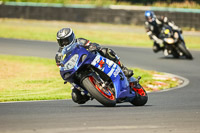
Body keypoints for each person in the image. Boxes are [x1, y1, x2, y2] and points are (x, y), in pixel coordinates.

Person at [55, 28, 133, 104]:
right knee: (76, 97)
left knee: (106, 51)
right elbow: (59, 65)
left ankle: (123, 69)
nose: (65, 43)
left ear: (72, 37)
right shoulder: (60, 54)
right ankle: (90, 91)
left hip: (87, 60)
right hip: (75, 69)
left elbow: (89, 44)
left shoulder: (79, 41)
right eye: (62, 41)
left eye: (66, 40)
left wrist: (93, 46)